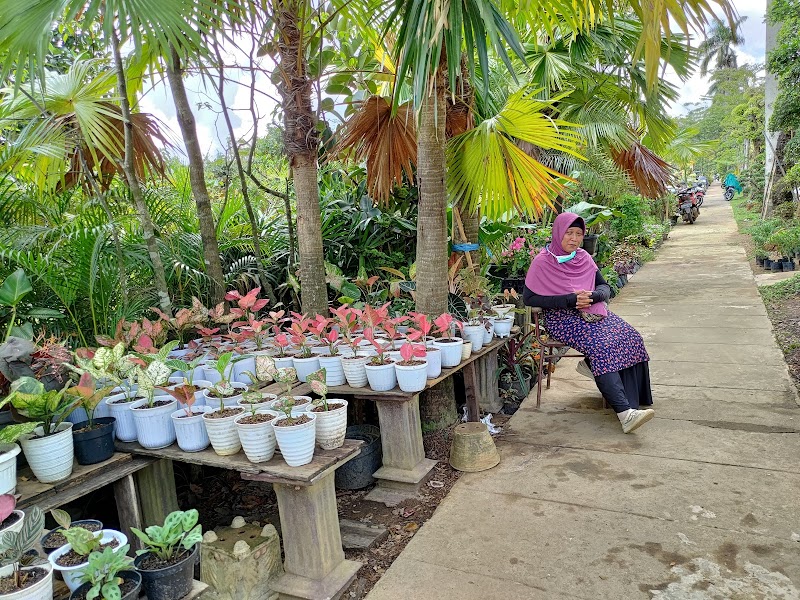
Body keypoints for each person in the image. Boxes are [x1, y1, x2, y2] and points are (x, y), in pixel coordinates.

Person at [523, 212, 655, 434]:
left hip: (592, 312)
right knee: (601, 347)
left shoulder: (583, 257)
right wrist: (569, 300)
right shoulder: (542, 262)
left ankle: (632, 396)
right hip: (562, 318)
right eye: (569, 233)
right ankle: (625, 415)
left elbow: (605, 288)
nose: (574, 239)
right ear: (558, 233)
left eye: (578, 234)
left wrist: (592, 297)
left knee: (631, 336)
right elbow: (530, 299)